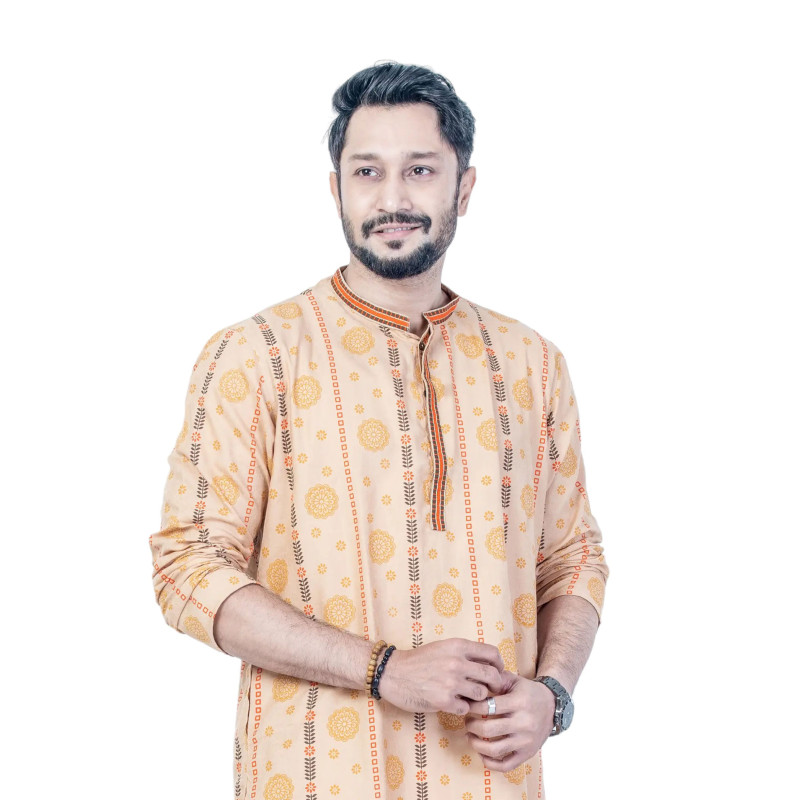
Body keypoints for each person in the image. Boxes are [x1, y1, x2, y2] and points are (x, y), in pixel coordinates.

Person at [150, 61, 609, 800]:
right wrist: (383, 668)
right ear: (336, 189)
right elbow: (188, 569)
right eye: (367, 172)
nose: (392, 199)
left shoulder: (531, 363)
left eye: (419, 170)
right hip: (314, 776)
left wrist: (552, 693)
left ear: (464, 188)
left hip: (491, 783)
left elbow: (573, 558)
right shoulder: (258, 355)